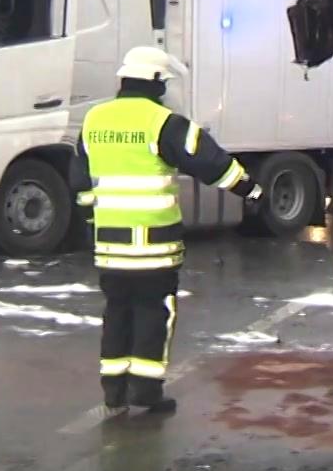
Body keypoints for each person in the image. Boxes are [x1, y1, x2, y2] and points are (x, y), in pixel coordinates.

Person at [76, 47, 262, 412]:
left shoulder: (93, 120)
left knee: (117, 311)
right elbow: (213, 164)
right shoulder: (165, 123)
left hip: (109, 245)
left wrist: (90, 224)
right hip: (153, 244)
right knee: (153, 311)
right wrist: (251, 190)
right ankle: (145, 394)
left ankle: (114, 392)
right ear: (157, 82)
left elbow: (80, 181)